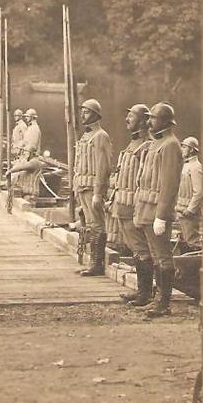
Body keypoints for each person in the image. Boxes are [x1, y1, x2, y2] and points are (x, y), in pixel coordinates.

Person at [132, 102, 183, 318]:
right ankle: (154, 298)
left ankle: (164, 303)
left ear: (164, 122)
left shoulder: (171, 145)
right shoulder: (156, 144)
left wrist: (162, 216)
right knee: (154, 255)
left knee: (163, 257)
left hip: (156, 211)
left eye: (153, 118)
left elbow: (169, 185)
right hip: (145, 208)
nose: (149, 121)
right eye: (150, 117)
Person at [108, 104, 154, 306]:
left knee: (143, 249)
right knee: (135, 249)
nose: (127, 118)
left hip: (136, 207)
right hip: (122, 206)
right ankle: (141, 291)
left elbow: (146, 181)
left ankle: (146, 294)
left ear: (144, 121)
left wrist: (139, 208)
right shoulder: (131, 146)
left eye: (132, 115)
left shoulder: (147, 147)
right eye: (127, 115)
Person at [73, 98, 114, 277]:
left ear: (96, 115)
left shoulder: (101, 136)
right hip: (82, 187)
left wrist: (98, 193)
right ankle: (92, 262)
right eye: (82, 111)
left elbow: (103, 166)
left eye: (87, 111)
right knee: (90, 225)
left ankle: (97, 264)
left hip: (92, 188)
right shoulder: (85, 136)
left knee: (97, 225)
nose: (83, 114)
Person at [176, 136, 203, 246]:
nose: (182, 149)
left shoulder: (196, 167)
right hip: (181, 210)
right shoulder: (185, 166)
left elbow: (199, 191)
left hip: (189, 212)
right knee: (184, 239)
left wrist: (191, 210)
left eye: (184, 147)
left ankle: (198, 259)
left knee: (192, 240)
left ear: (191, 150)